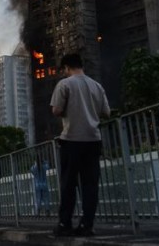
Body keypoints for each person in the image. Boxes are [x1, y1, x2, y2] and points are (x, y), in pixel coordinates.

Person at [50, 53, 111, 237]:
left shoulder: (65, 84)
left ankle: (65, 223)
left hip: (71, 139)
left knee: (69, 183)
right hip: (93, 140)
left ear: (67, 67)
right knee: (90, 184)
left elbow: (57, 110)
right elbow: (106, 112)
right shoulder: (97, 86)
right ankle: (87, 225)